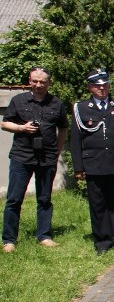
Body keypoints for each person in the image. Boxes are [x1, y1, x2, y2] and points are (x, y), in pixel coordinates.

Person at [69, 69, 114, 257]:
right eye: (98, 86)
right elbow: (75, 141)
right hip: (94, 165)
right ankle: (102, 242)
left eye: (105, 85)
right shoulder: (81, 108)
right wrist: (79, 167)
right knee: (98, 205)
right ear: (90, 87)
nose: (102, 89)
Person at [2, 66, 68, 253]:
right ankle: (9, 240)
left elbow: (63, 128)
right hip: (21, 156)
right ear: (30, 81)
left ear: (49, 82)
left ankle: (44, 235)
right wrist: (22, 128)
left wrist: (57, 150)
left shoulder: (56, 104)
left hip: (47, 157)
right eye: (35, 81)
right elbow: (4, 123)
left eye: (42, 82)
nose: (38, 85)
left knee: (44, 198)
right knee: (14, 199)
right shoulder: (18, 100)